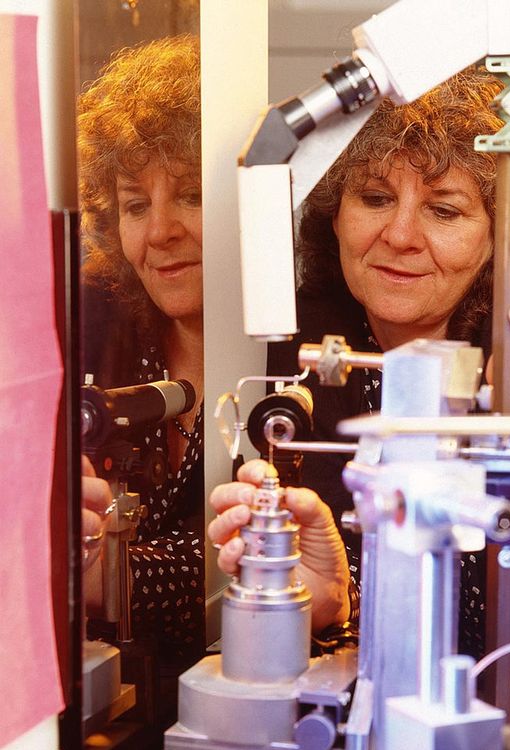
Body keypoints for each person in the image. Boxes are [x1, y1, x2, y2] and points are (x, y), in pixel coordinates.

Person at [210, 67, 510, 658]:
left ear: (503, 238)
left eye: (444, 211)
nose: (401, 235)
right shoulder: (285, 344)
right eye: (375, 197)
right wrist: (334, 600)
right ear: (334, 211)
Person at [77, 34, 349, 672]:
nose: (162, 232)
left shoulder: (315, 353)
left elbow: (293, 574)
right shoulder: (100, 328)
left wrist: (81, 572)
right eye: (136, 206)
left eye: (193, 195)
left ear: (247, 203)